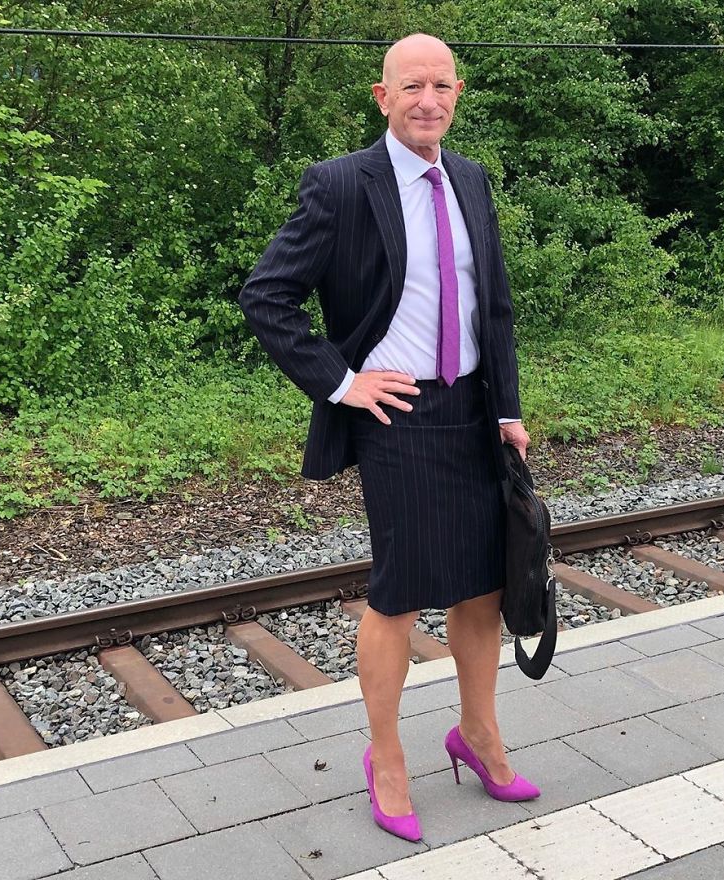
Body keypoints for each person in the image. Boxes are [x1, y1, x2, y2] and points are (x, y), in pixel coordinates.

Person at [238, 32, 539, 842]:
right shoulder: (341, 184)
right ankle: (386, 756)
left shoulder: (471, 179)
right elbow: (267, 295)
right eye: (411, 85)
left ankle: (476, 734)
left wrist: (507, 409)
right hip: (397, 418)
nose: (427, 100)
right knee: (401, 594)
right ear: (383, 96)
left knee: (484, 586)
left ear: (458, 93)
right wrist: (343, 382)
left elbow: (494, 309)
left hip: (475, 415)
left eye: (441, 85)